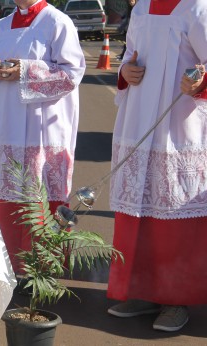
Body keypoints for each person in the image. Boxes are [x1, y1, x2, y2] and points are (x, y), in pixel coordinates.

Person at [106, 0, 207, 333]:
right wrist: (125, 72)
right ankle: (142, 291)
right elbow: (130, 55)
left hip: (177, 125)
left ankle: (175, 299)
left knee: (172, 212)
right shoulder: (141, 8)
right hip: (137, 122)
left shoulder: (196, 7)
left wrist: (200, 82)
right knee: (139, 210)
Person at [0, 0, 85, 276]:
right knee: (5, 199)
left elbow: (72, 74)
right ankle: (5, 270)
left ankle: (40, 273)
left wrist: (24, 71)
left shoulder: (57, 22)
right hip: (3, 129)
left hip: (41, 130)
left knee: (40, 201)